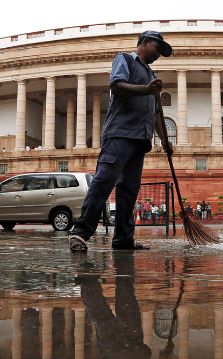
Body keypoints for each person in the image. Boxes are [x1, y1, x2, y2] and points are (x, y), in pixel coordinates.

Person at [68, 30, 173, 252]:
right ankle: (80, 232)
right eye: (157, 48)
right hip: (120, 134)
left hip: (140, 140)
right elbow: (117, 85)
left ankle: (124, 240)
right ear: (144, 43)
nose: (158, 55)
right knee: (104, 181)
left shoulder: (151, 74)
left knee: (129, 190)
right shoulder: (124, 59)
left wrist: (164, 140)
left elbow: (154, 114)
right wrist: (147, 89)